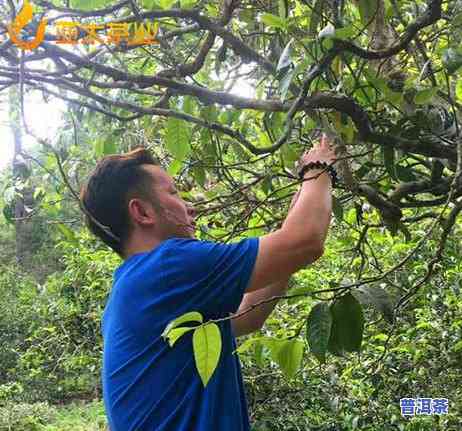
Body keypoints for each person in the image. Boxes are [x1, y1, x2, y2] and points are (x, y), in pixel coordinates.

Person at [79, 134, 336, 431]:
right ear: (142, 212)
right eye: (174, 193)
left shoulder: (136, 287)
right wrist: (319, 166)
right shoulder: (167, 266)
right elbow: (305, 242)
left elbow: (249, 313)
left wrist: (295, 224)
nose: (190, 208)